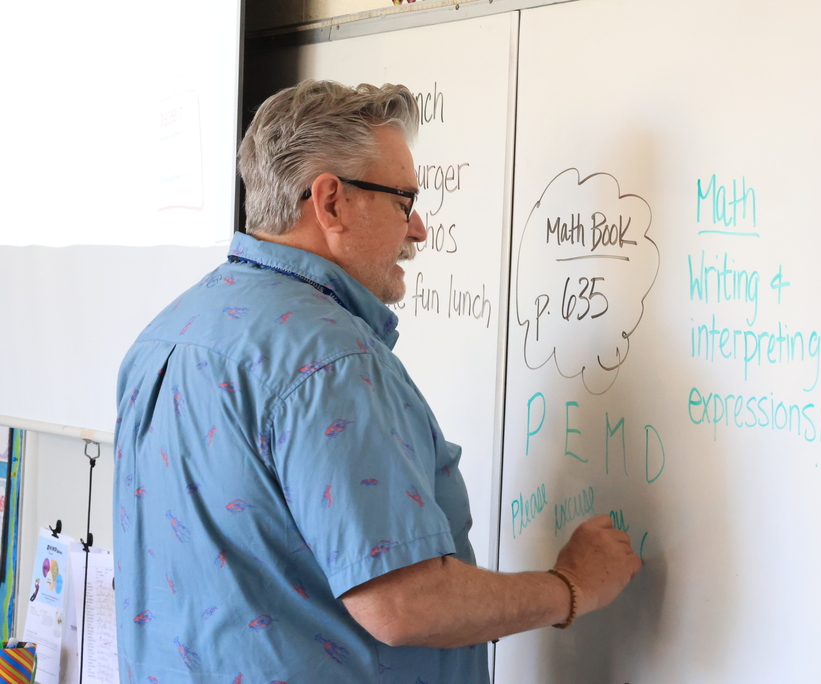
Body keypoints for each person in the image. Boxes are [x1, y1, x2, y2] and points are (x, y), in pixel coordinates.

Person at [112, 79, 642, 682]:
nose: (417, 231)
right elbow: (403, 604)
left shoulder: (168, 331)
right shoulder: (330, 361)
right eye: (403, 201)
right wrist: (573, 587)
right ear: (331, 202)